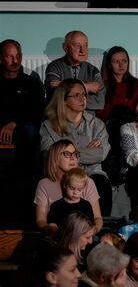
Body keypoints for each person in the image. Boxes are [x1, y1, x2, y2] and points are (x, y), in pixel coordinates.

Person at [39, 79, 112, 214]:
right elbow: (50, 155)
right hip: (62, 175)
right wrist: (88, 152)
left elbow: (101, 154)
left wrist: (67, 154)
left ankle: (101, 224)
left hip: (92, 173)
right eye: (76, 95)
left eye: (84, 95)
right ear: (64, 100)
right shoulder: (49, 126)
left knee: (101, 183)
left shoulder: (97, 124)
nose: (82, 99)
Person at [0, 38, 45, 170]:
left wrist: (14, 123)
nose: (15, 61)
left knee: (30, 129)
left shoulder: (32, 82)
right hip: (2, 124)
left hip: (23, 126)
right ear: (1, 58)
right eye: (9, 56)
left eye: (18, 56)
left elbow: (37, 110)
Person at [44, 30, 104, 111]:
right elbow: (55, 97)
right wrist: (86, 87)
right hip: (61, 116)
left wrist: (65, 88)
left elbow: (99, 102)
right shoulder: (54, 67)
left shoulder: (93, 70)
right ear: (66, 48)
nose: (82, 50)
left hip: (87, 117)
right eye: (77, 46)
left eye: (85, 45)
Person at [97, 46, 138, 125]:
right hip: (111, 125)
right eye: (116, 62)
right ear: (109, 64)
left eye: (124, 61)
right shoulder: (102, 86)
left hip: (133, 125)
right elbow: (100, 113)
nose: (121, 65)